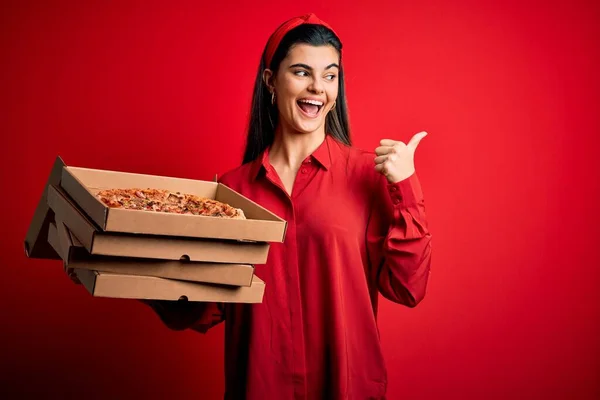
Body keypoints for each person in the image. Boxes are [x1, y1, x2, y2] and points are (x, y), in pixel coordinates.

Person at [144, 13, 432, 400]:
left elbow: (408, 287)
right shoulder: (232, 191)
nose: (318, 88)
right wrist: (124, 265)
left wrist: (406, 188)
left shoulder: (369, 175)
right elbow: (202, 310)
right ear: (270, 82)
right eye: (301, 72)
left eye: (330, 76)